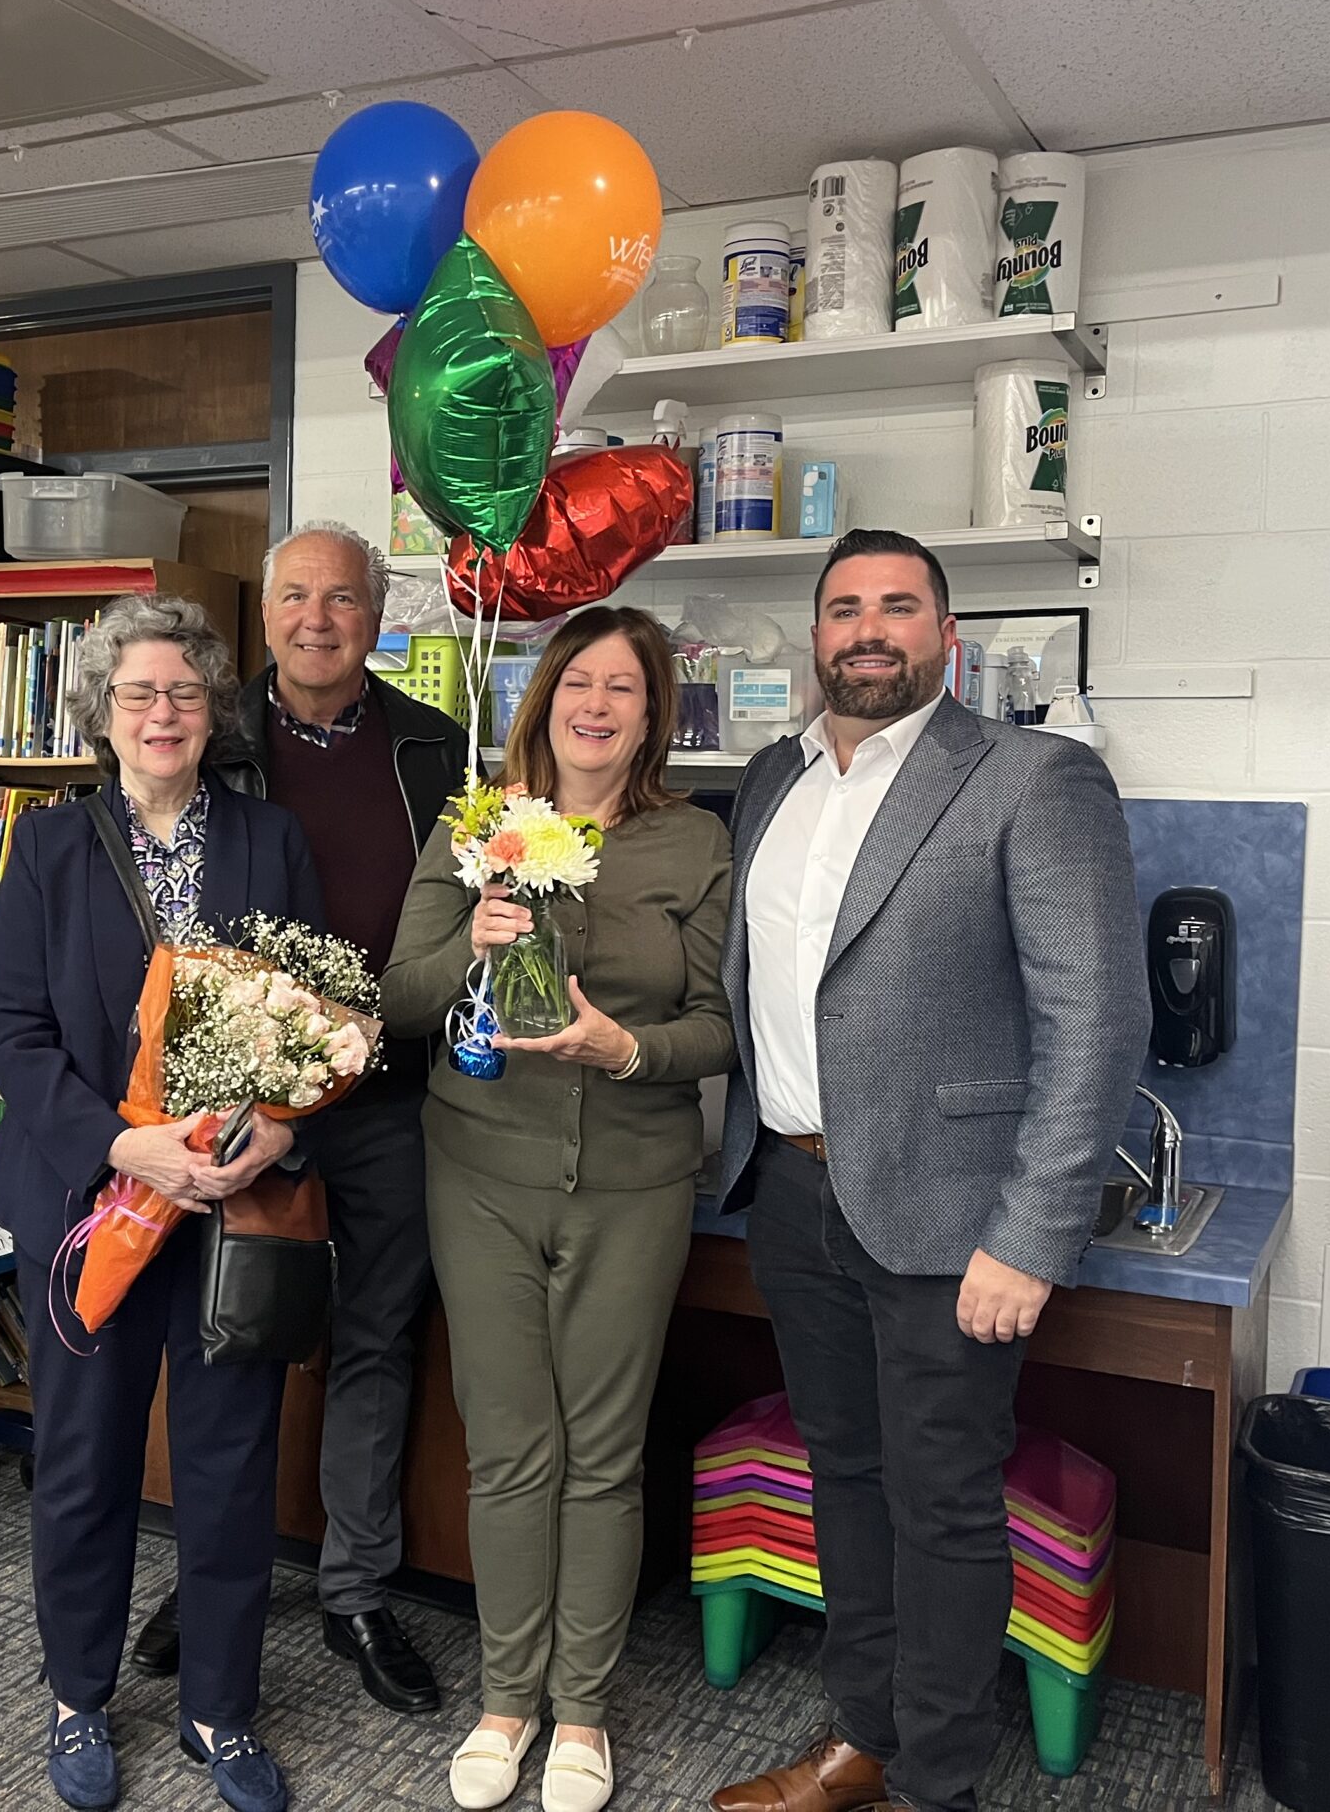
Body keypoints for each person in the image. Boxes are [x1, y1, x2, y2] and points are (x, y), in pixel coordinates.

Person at [707, 529, 1148, 1812]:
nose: (868, 628)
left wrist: (1030, 1234)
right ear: (814, 636)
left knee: (943, 1506)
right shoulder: (767, 779)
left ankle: (935, 1787)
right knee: (842, 1479)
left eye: (899, 606)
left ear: (945, 638)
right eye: (844, 607)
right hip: (793, 1193)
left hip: (953, 1218)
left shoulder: (1032, 778)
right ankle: (864, 1740)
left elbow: (1097, 1018)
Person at [383, 605, 736, 1812]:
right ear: (545, 697)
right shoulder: (478, 826)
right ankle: (504, 1701)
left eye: (622, 689)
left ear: (652, 717)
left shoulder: (693, 845)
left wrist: (624, 1049)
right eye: (577, 680)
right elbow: (400, 995)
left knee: (602, 1458)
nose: (595, 704)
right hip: (479, 1173)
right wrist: (470, 947)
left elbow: (717, 1028)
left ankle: (579, 1715)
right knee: (508, 1451)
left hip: (634, 1185)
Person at [0, 593, 325, 1812]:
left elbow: (310, 1019)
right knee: (82, 1460)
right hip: (92, 1205)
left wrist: (273, 1125)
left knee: (231, 1468)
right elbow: (11, 1039)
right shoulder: (50, 847)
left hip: (229, 1205)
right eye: (139, 694)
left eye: (184, 692)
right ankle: (77, 1695)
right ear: (102, 714)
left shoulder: (270, 839)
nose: (163, 712)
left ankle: (221, 1713)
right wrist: (131, 1147)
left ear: (211, 709)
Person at [127, 522, 470, 1715]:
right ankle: (217, 1572)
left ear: (376, 618)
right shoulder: (211, 743)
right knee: (236, 1337)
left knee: (378, 1339)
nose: (316, 617)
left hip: (390, 1099)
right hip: (245, 1099)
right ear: (260, 616)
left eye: (341, 598)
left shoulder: (436, 748)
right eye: (293, 596)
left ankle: (356, 1588)